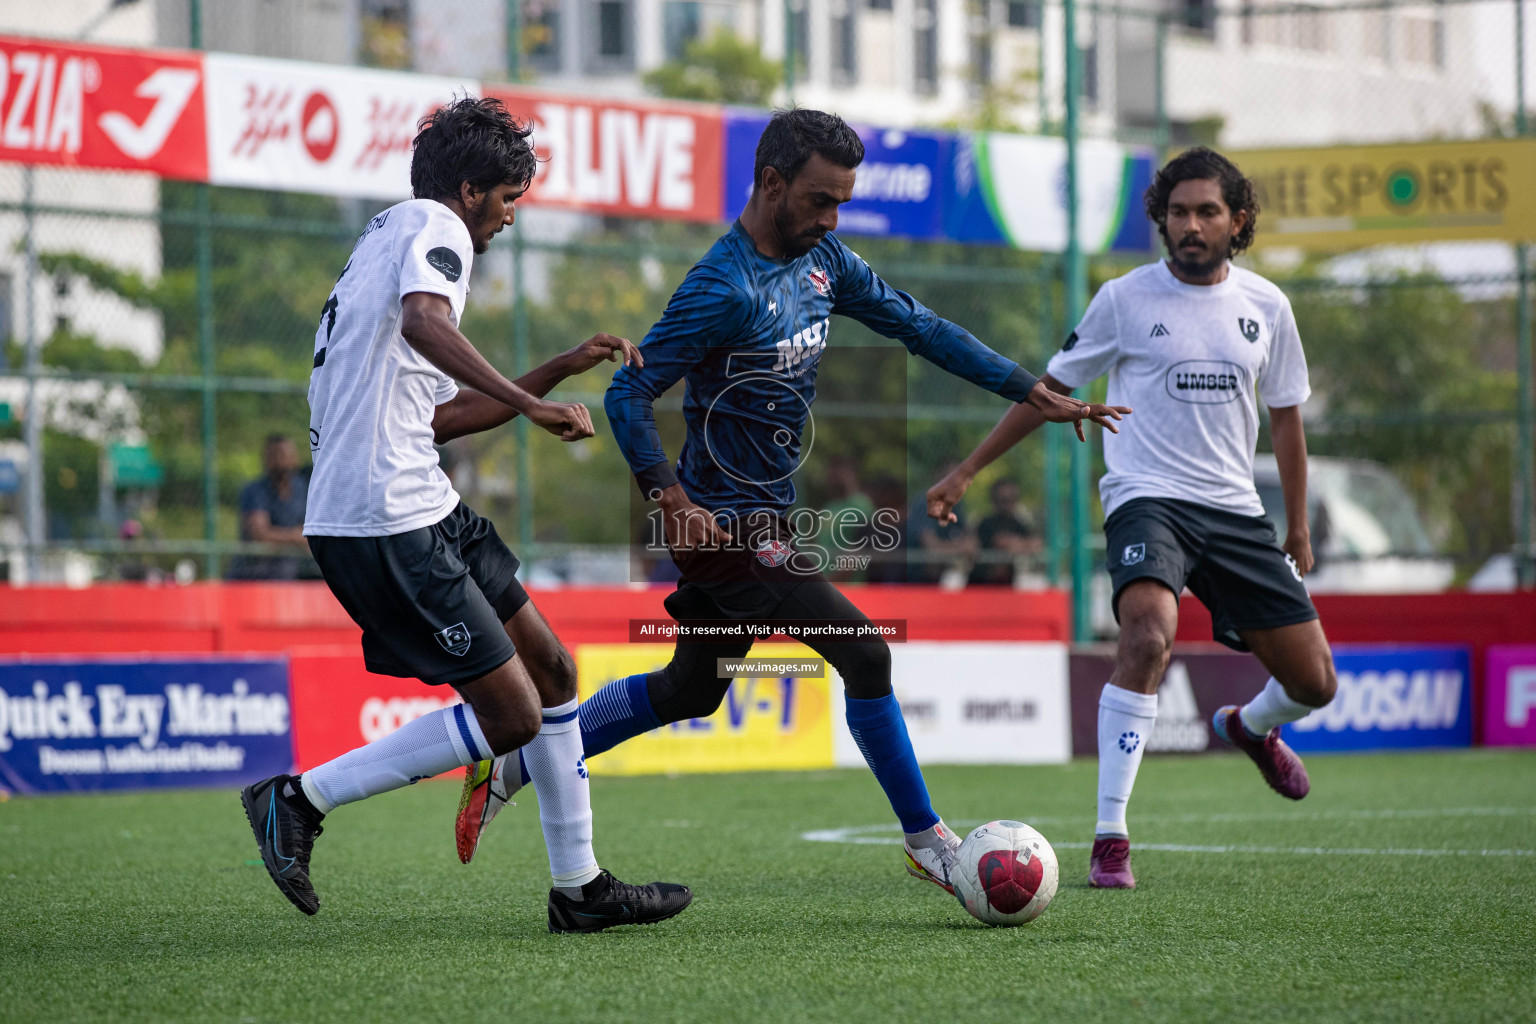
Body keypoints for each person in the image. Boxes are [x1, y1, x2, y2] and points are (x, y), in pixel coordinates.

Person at [453, 109, 1128, 894]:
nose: (831, 218)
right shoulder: (720, 285)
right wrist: (668, 497)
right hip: (723, 527)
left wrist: (1030, 389)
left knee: (690, 688)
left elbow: (920, 327)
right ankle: (930, 841)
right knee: (865, 651)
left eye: (842, 202)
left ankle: (513, 764)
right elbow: (629, 392)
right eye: (818, 200)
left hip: (768, 518)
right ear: (770, 183)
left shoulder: (826, 263)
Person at [239, 96, 693, 933]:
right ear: (470, 187)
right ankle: (297, 799)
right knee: (514, 716)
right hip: (384, 518)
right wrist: (527, 399)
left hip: (420, 499)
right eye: (509, 198)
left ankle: (580, 889)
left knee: (555, 672)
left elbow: (436, 416)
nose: (512, 217)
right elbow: (425, 323)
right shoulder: (435, 233)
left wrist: (550, 375)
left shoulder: (386, 239)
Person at [927, 147, 1338, 890]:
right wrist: (966, 470)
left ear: (1236, 220)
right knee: (1147, 636)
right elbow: (1048, 392)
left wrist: (1298, 525)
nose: (1191, 224)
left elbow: (1286, 423)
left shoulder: (1268, 307)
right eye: (1178, 211)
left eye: (1208, 211)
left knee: (1315, 685)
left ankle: (1249, 726)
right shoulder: (1124, 299)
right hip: (1146, 496)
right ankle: (1110, 837)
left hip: (1236, 511)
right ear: (1161, 218)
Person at [226, 434, 310, 580]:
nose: (280, 461)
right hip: (254, 574)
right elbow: (260, 535)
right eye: (275, 456)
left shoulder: (303, 489)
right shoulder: (255, 490)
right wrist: (296, 537)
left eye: (285, 455)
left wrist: (282, 537)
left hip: (292, 574)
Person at [969, 478, 1040, 585]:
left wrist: (1018, 545)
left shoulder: (1018, 524)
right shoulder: (986, 524)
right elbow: (1000, 542)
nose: (1008, 504)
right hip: (981, 585)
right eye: (1003, 500)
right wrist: (1021, 545)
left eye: (1012, 499)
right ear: (994, 500)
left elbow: (1035, 544)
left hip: (1006, 586)